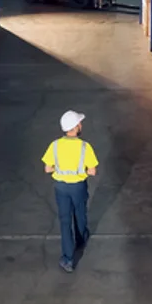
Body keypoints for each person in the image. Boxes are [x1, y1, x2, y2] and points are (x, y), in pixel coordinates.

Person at [42, 110, 98, 273]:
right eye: (80, 123)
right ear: (75, 127)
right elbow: (93, 171)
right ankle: (81, 240)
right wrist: (80, 171)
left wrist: (60, 169)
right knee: (80, 214)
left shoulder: (55, 145)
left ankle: (68, 259)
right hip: (78, 187)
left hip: (61, 187)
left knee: (65, 221)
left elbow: (47, 168)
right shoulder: (84, 147)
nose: (81, 125)